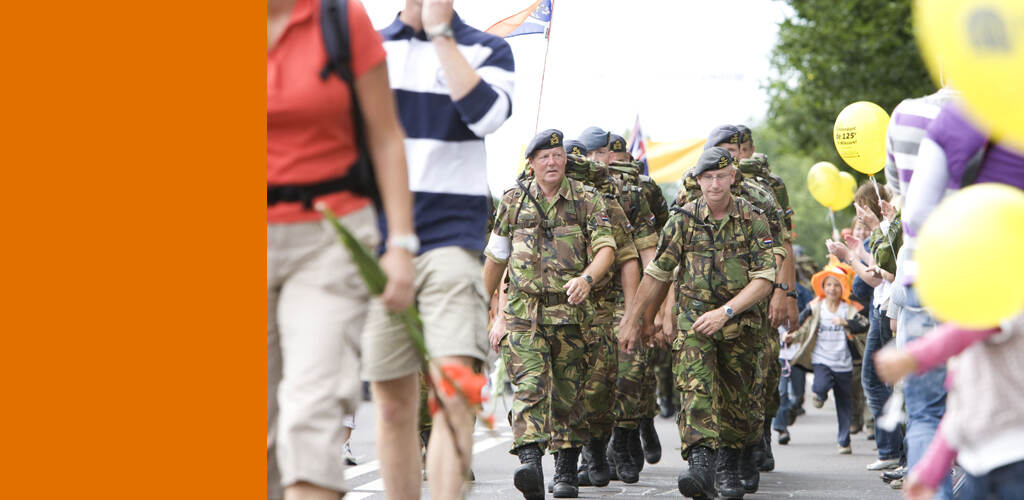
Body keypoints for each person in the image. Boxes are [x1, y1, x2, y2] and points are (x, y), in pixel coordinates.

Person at [364, 1, 515, 498]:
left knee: (454, 394)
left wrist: (440, 36)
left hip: (452, 243)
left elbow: (486, 115)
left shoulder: (488, 49)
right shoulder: (370, 48)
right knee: (393, 406)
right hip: (382, 246)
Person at [267, 0, 415, 498]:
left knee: (312, 410)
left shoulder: (340, 20)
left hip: (328, 238)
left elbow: (387, 138)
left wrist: (400, 244)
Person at [619, 146, 776, 500]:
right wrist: (635, 320)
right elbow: (657, 273)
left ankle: (729, 465)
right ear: (698, 181)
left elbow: (765, 278)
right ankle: (701, 464)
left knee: (738, 399)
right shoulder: (683, 220)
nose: (715, 184)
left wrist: (726, 313)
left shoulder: (753, 218)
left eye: (721, 176)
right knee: (695, 389)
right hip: (694, 323)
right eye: (708, 178)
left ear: (732, 177)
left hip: (740, 325)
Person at [484, 129, 617, 499]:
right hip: (523, 313)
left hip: (571, 314)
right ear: (532, 164)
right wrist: (482, 306)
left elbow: (606, 249)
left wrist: (587, 279)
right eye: (544, 157)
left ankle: (565, 471)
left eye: (558, 155)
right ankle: (530, 464)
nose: (552, 162)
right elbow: (496, 257)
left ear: (566, 160)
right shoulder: (513, 201)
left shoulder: (586, 198)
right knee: (530, 385)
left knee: (567, 395)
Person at [873, 313, 1024, 500]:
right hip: (978, 468)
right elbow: (957, 418)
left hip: (1013, 462)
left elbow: (971, 328)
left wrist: (913, 356)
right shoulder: (968, 354)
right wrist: (928, 474)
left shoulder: (1010, 312)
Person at [563, 141, 640, 489]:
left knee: (598, 388)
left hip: (601, 309)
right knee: (560, 388)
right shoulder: (529, 202)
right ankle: (568, 463)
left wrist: (631, 315)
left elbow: (628, 259)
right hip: (553, 311)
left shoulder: (603, 204)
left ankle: (596, 448)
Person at [827, 182, 905, 471]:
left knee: (874, 379)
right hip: (881, 307)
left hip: (886, 309)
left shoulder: (887, 229)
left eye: (859, 207)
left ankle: (891, 449)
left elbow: (877, 276)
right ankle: (893, 449)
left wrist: (850, 257)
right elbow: (876, 266)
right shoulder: (881, 231)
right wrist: (857, 250)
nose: (857, 214)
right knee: (878, 379)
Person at [785, 260, 869, 454]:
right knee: (820, 385)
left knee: (844, 403)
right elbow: (803, 326)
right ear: (822, 287)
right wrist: (792, 337)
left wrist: (847, 323)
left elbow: (864, 325)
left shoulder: (850, 308)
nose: (832, 289)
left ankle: (844, 441)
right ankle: (820, 394)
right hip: (821, 359)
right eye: (828, 284)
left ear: (844, 288)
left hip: (844, 363)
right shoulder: (816, 307)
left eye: (837, 285)